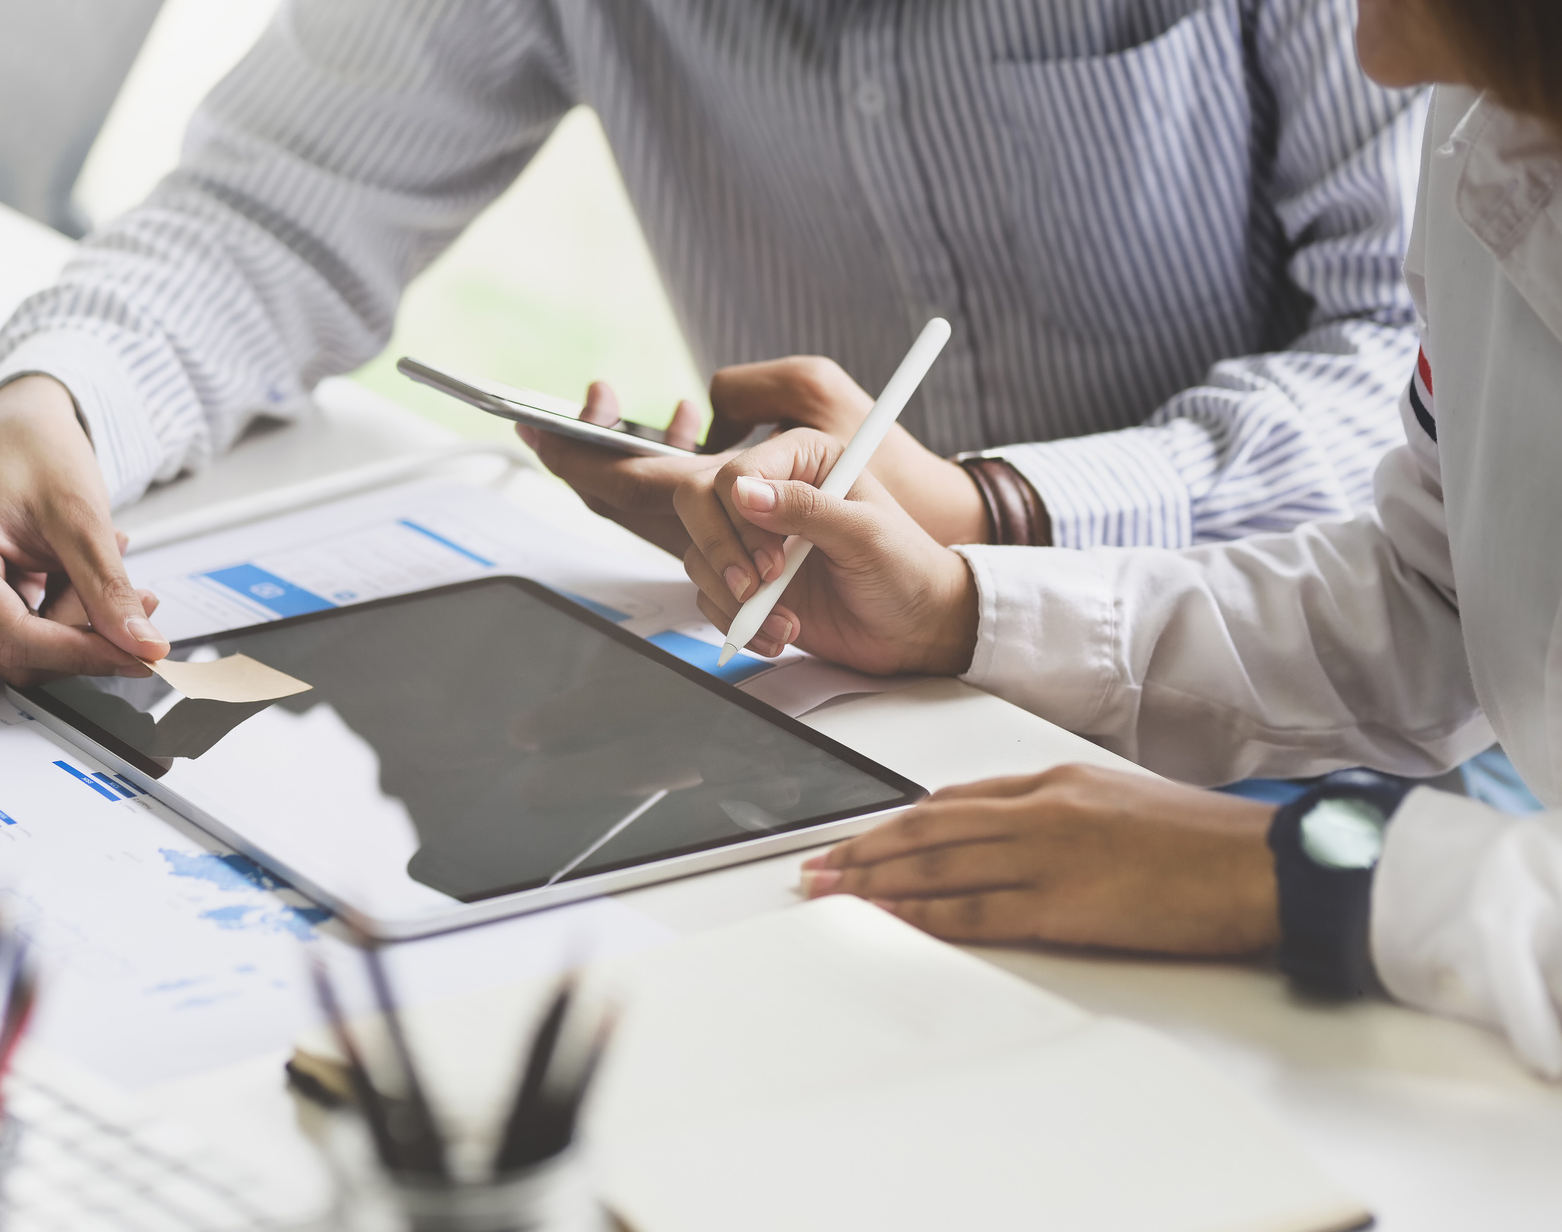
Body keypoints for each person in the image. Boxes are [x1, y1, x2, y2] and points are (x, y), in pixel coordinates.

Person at [0, 0, 1426, 684]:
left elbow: (1429, 369)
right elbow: (274, 208)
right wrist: (53, 408)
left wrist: (999, 517)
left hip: (1318, 710)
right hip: (859, 700)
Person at [590, 0, 1562, 1076]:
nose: (1356, 48)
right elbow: (1430, 598)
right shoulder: (1484, 121)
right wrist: (959, 607)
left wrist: (1290, 868)